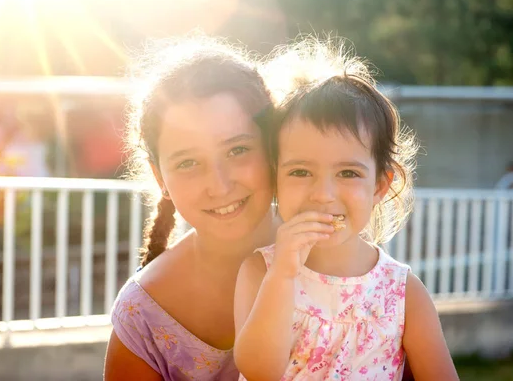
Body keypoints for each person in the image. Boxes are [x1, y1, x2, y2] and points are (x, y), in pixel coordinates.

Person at [233, 38, 459, 380]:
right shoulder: (260, 272)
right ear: (275, 176)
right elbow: (258, 371)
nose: (323, 194)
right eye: (300, 171)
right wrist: (282, 275)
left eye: (348, 173)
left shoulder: (403, 292)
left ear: (380, 185)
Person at [104, 35, 279, 380]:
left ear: (273, 147)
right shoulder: (144, 315)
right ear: (160, 178)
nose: (219, 184)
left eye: (238, 150)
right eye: (188, 163)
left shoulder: (346, 265)